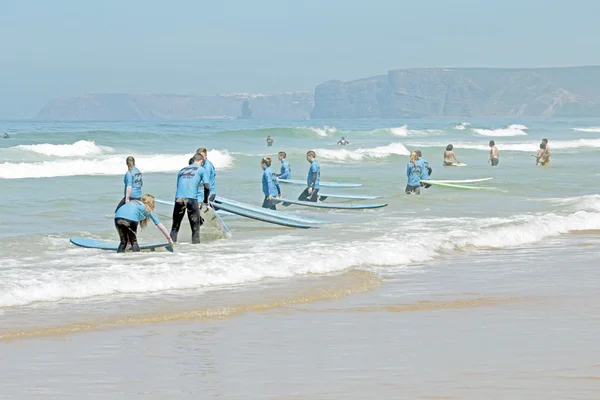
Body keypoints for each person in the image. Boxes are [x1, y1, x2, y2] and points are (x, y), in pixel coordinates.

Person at [170, 153, 210, 244]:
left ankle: (171, 248)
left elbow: (178, 186)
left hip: (179, 198)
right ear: (201, 161)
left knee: (175, 227)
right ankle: (196, 252)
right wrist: (205, 201)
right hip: (191, 199)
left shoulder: (182, 170)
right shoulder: (202, 170)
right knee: (195, 229)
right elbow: (207, 186)